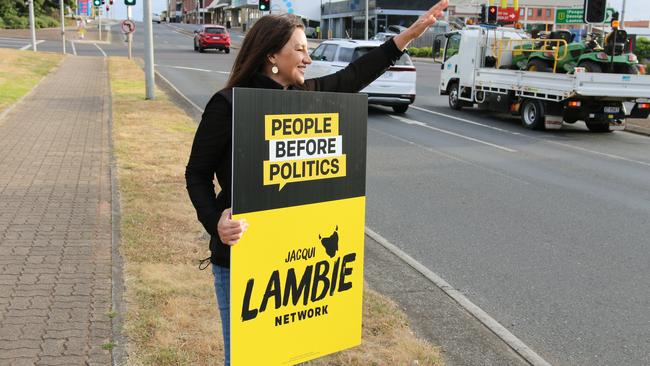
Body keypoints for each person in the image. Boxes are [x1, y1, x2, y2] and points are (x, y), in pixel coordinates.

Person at [185, 1, 448, 364]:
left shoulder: (303, 100)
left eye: (308, 50)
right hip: (242, 263)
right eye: (300, 49)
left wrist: (407, 37)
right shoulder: (227, 105)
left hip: (293, 267)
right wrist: (215, 221)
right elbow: (196, 174)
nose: (308, 58)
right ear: (271, 56)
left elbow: (354, 75)